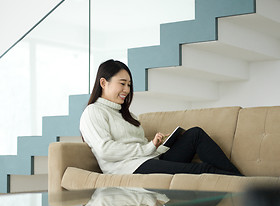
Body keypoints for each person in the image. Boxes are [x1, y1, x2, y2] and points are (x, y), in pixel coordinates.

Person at [80, 59, 242, 176]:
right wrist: (148, 148)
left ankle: (244, 182)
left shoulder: (128, 115)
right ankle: (246, 186)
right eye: (122, 83)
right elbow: (105, 150)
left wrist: (159, 146)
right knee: (202, 169)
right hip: (128, 168)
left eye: (129, 84)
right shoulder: (94, 112)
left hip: (149, 159)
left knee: (195, 134)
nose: (127, 89)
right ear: (103, 83)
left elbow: (144, 149)